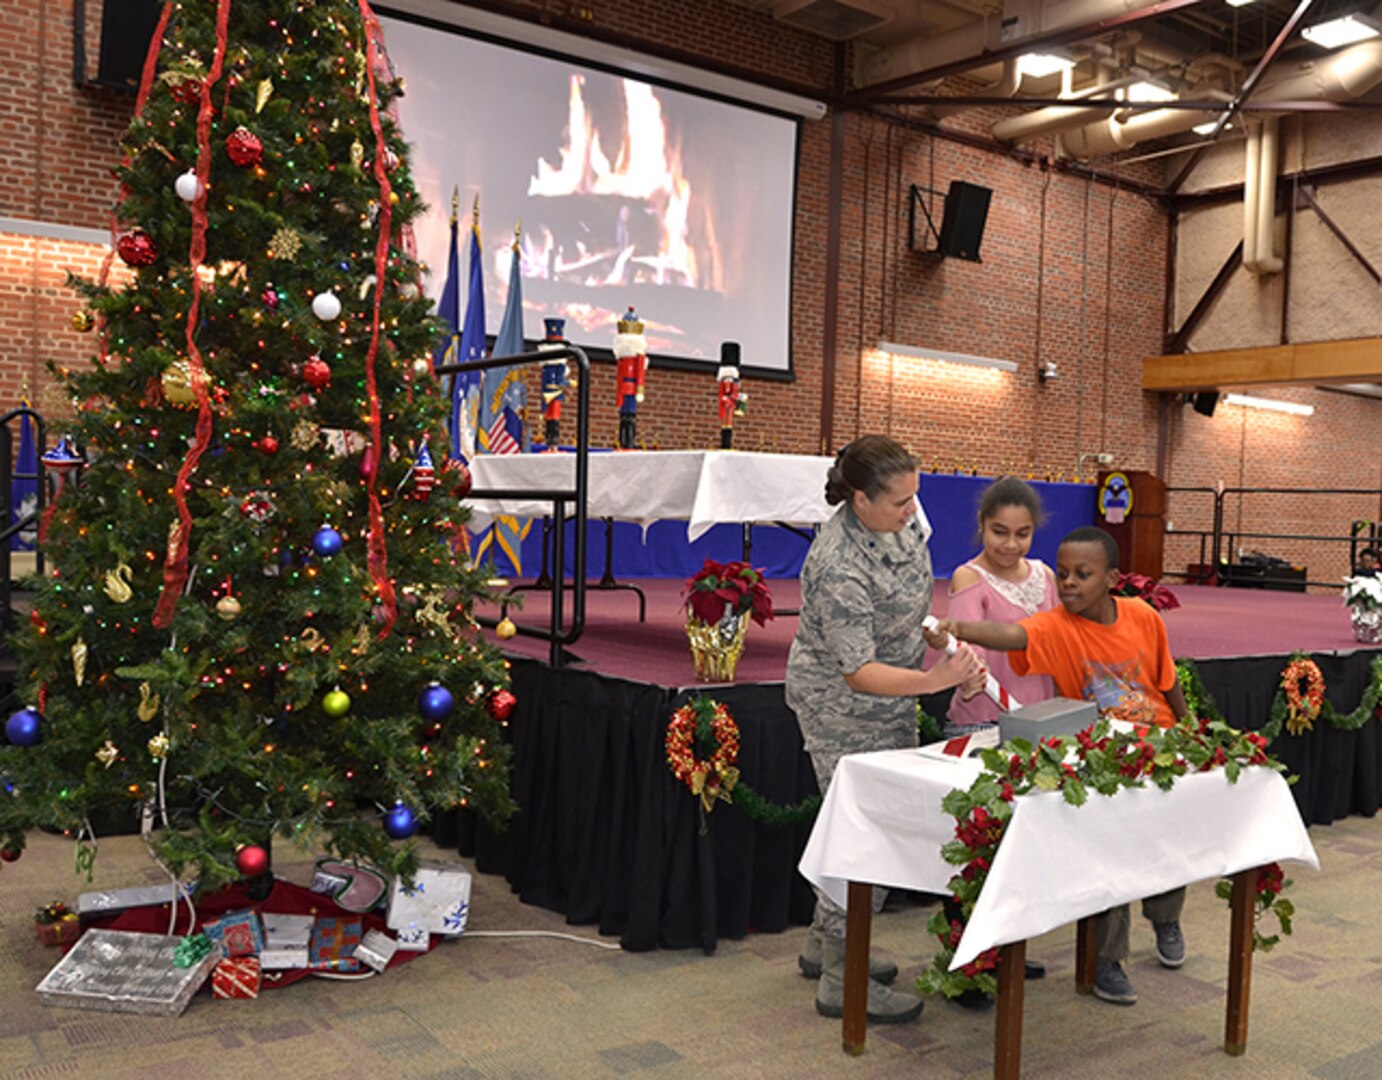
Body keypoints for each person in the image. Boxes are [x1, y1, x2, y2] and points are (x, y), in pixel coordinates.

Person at [935, 525, 1193, 1007]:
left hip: (1157, 745)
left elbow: (1167, 678)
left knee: (1165, 840)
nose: (1069, 583)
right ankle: (1106, 960)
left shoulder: (1143, 616)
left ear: (1111, 578)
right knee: (1112, 852)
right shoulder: (1055, 626)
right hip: (1103, 756)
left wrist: (1187, 725)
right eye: (1064, 572)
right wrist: (959, 628)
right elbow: (1011, 634)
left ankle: (1165, 917)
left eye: (1082, 574)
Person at [785, 435, 985, 1024]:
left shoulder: (900, 518)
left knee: (867, 828)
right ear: (860, 500)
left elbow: (904, 594)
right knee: (863, 839)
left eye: (913, 497)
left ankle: (824, 945)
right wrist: (935, 680)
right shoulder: (837, 564)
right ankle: (841, 981)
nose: (912, 510)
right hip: (840, 709)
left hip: (890, 697)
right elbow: (857, 671)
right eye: (900, 501)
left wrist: (930, 632)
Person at [944, 476, 1059, 739]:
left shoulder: (1045, 575)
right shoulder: (969, 577)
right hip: (983, 723)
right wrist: (971, 673)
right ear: (981, 522)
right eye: (1000, 532)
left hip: (1040, 720)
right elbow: (966, 648)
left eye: (1022, 534)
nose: (1010, 545)